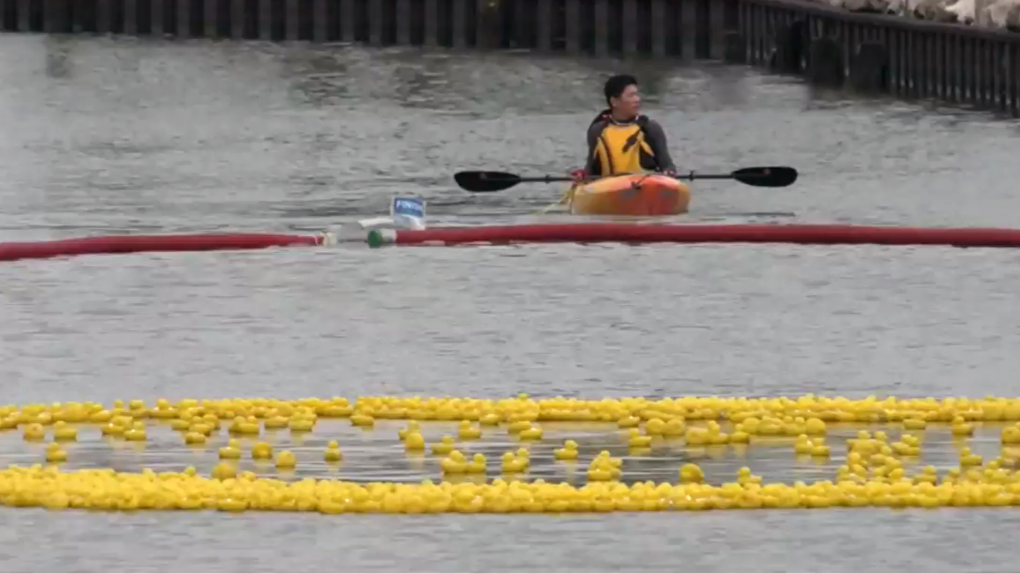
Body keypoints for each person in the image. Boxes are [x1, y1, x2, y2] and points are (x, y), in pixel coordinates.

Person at [571, 74, 678, 183]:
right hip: (609, 190)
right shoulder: (598, 130)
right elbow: (591, 168)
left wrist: (669, 171)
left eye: (637, 94)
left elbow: (667, 164)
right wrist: (582, 174)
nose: (637, 99)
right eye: (631, 95)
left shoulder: (650, 128)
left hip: (645, 189)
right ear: (614, 102)